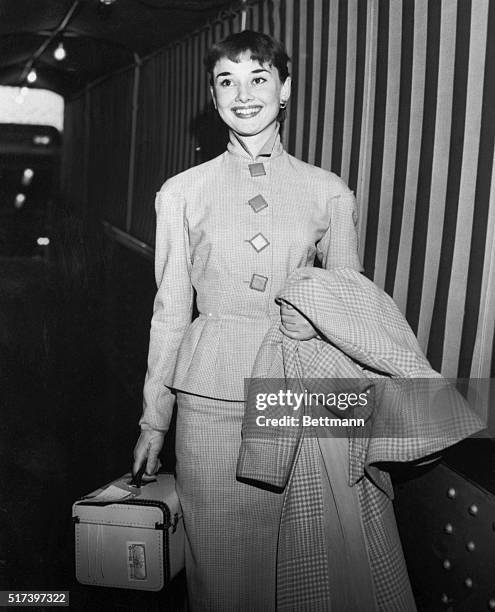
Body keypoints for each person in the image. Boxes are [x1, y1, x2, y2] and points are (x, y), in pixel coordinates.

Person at [133, 30, 403, 611]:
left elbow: (350, 313)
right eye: (227, 81)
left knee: (305, 563)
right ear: (213, 96)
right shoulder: (181, 193)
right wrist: (155, 419)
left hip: (300, 397)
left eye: (259, 78)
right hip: (211, 396)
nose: (244, 94)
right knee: (223, 573)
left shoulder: (328, 192)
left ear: (285, 90)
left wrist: (351, 417)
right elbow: (171, 309)